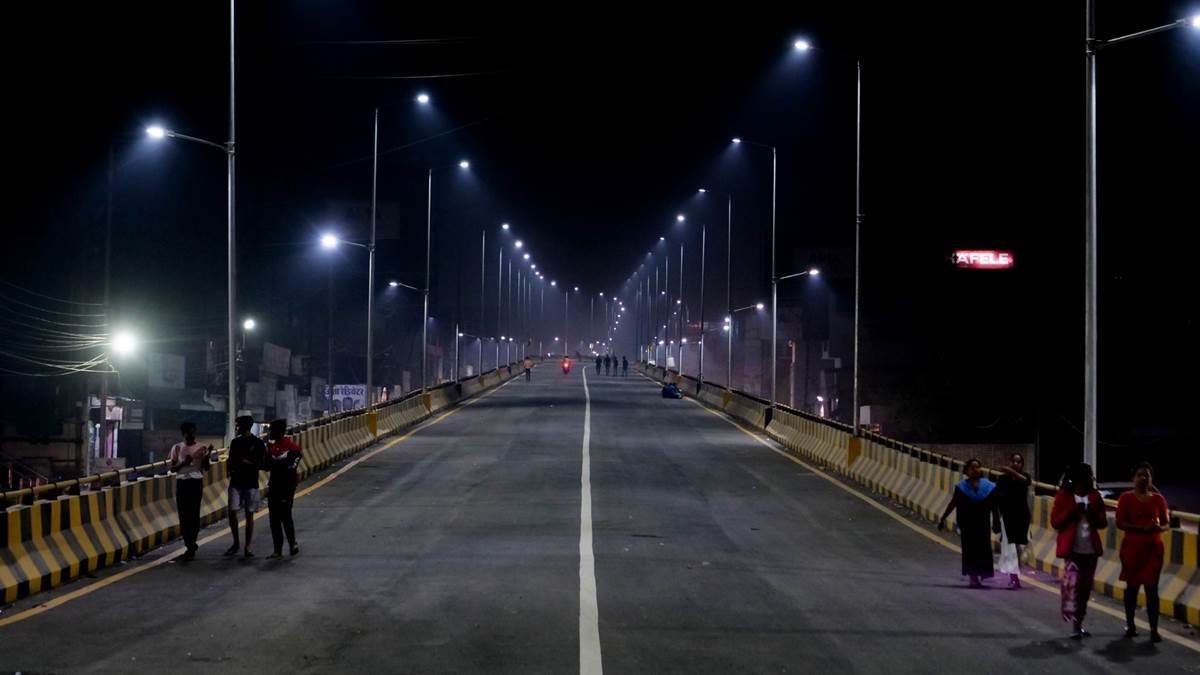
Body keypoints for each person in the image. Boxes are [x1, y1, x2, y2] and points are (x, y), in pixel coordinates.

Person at [1051, 462, 1107, 639]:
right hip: (1072, 551)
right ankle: (1073, 622)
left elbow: (1103, 522)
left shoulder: (1095, 496)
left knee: (1085, 589)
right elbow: (1055, 522)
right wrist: (1073, 511)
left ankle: (1079, 623)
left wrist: (1091, 513)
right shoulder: (1064, 496)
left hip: (1090, 551)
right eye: (1088, 475)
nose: (1091, 478)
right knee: (1071, 587)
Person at [1117, 461, 1170, 642]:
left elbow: (1166, 523)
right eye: (1139, 474)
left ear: (1151, 478)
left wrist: (1158, 528)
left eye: (1146, 474)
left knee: (1152, 589)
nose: (1143, 478)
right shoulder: (1126, 498)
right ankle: (1130, 624)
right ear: (1133, 478)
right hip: (1132, 549)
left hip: (1153, 550)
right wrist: (1141, 529)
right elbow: (1120, 522)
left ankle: (1154, 629)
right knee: (1132, 588)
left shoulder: (1158, 499)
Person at [938, 459, 1000, 588]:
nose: (975, 470)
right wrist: (943, 518)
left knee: (983, 549)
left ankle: (981, 573)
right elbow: (953, 504)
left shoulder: (988, 486)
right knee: (970, 550)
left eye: (977, 467)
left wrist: (995, 521)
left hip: (983, 523)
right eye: (972, 468)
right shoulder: (961, 487)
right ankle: (973, 576)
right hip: (968, 524)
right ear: (966, 471)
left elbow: (994, 506)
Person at [168, 421, 211, 561]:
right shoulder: (177, 448)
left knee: (194, 514)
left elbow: (206, 468)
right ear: (184, 434)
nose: (191, 436)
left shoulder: (202, 447)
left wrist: (207, 457)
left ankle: (191, 543)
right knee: (183, 515)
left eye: (193, 433)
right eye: (188, 434)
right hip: (182, 482)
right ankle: (189, 544)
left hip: (195, 482)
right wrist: (184, 463)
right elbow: (172, 468)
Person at [224, 415, 266, 559]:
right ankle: (236, 543)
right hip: (236, 481)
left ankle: (247, 546)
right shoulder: (235, 442)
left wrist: (245, 462)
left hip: (250, 482)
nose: (236, 428)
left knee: (249, 514)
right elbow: (231, 460)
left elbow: (261, 462)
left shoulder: (258, 443)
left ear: (244, 426)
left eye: (238, 425)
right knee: (232, 511)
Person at [265, 419, 303, 559]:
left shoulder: (291, 447)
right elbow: (265, 465)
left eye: (272, 430)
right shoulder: (271, 448)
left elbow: (291, 466)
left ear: (279, 431)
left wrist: (276, 463)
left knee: (285, 515)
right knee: (274, 519)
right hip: (274, 485)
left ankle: (292, 543)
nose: (270, 433)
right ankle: (277, 550)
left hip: (287, 486)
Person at [995, 452, 1032, 589]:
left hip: (1022, 516)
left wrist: (1009, 470)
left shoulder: (1025, 477)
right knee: (1009, 548)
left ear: (1022, 465)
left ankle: (1017, 573)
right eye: (1013, 461)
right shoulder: (1003, 479)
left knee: (1019, 548)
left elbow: (1025, 481)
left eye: (1018, 462)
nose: (1015, 464)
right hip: (1007, 516)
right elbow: (997, 497)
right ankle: (1014, 577)